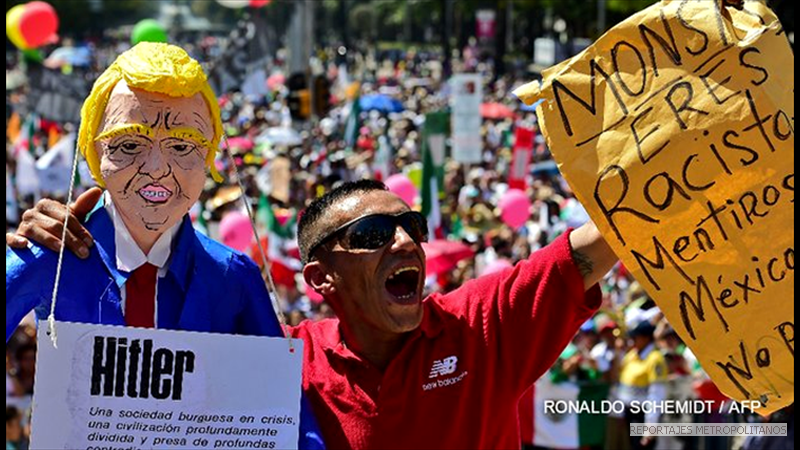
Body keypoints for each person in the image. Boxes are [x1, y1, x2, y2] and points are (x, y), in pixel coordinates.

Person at [11, 179, 618, 447]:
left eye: (411, 226)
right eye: (375, 232)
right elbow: (143, 367)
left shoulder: (480, 327)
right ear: (320, 278)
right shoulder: (277, 365)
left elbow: (609, 237)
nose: (406, 242)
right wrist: (79, 239)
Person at [5, 42, 323, 449]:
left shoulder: (232, 276)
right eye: (129, 144)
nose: (156, 168)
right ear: (93, 152)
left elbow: (289, 416)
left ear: (210, 157)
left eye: (182, 145)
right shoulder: (50, 257)